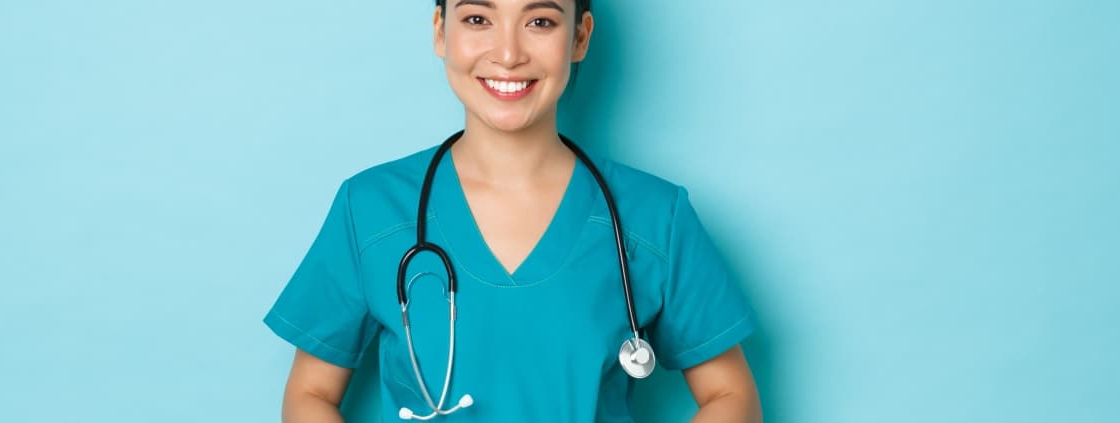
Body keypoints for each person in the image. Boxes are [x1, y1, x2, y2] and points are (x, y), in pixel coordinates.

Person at [263, 0, 762, 421]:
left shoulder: (654, 215)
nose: (507, 54)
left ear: (580, 38)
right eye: (478, 19)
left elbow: (730, 394)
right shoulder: (370, 206)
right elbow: (310, 394)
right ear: (441, 32)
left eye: (540, 21)